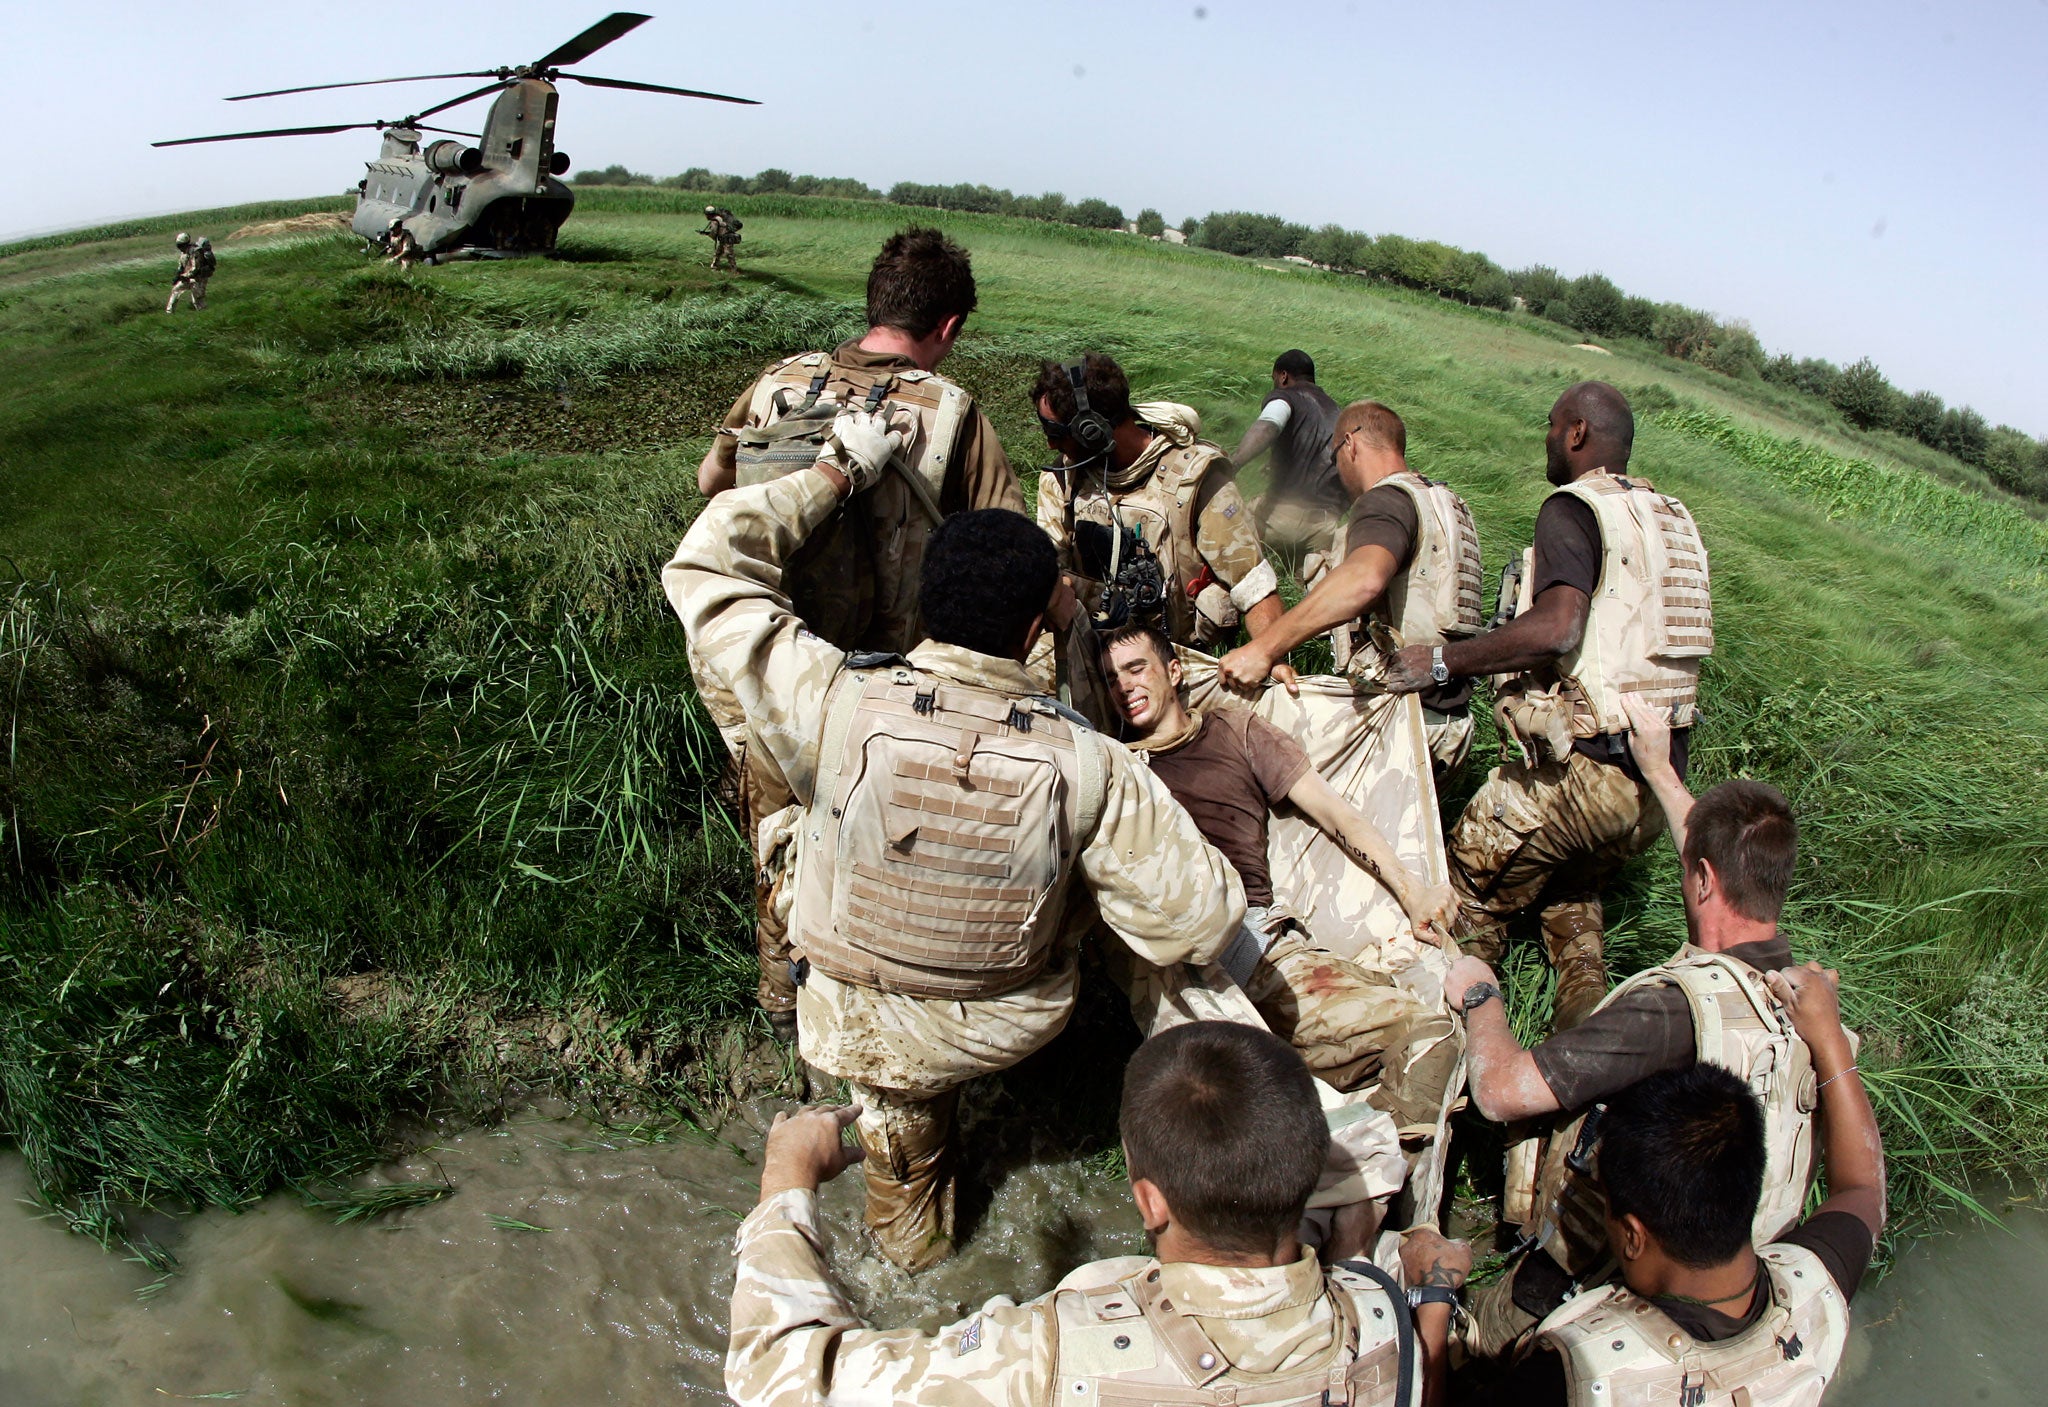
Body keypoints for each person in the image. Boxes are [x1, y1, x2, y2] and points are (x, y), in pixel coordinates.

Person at [665, 425, 1244, 1272]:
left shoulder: (829, 695)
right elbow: (1201, 920)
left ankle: (909, 1220)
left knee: (909, 1234)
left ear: (926, 603)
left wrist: (836, 471)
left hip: (859, 1018)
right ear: (1032, 633)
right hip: (1006, 1020)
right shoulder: (1093, 762)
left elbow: (705, 566)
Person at [726, 1021, 1468, 1407]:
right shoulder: (1380, 1317)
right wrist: (1430, 1297)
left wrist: (785, 1176)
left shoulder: (1048, 1355)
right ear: (1309, 1179)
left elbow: (774, 1376)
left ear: (1147, 1200)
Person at [695, 227, 1024, 1039]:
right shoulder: (951, 411)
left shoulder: (779, 381)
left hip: (765, 666)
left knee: (775, 841)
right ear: (946, 327)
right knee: (874, 848)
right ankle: (870, 1016)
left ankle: (782, 1009)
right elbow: (1004, 547)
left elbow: (711, 483)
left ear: (875, 304)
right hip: (883, 689)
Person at [1443, 711, 1836, 1360]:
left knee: (1475, 1351)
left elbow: (1501, 1093)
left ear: (1704, 880)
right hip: (1735, 1271)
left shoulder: (1670, 1014)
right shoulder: (1805, 999)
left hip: (1596, 1285)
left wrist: (1480, 993)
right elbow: (1710, 853)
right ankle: (1575, 929)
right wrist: (1657, 768)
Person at [1383, 381, 1713, 1030]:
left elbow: (1561, 626)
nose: (1546, 435)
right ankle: (1584, 1079)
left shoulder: (1574, 507)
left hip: (1585, 771)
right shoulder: (1669, 517)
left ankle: (1447, 1055)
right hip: (1655, 779)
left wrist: (1447, 660)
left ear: (1578, 433)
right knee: (1569, 896)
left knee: (1468, 895)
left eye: (1552, 423)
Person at [1101, 622, 1460, 1129]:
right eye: (1112, 679)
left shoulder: (1234, 729)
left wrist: (1412, 890)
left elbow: (1337, 814)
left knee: (1430, 1037)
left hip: (1255, 946)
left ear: (1174, 671)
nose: (1124, 687)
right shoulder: (1112, 765)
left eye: (1136, 669)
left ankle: (1366, 1163)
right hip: (1171, 965)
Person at [1507, 1046, 1882, 1405]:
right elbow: (1863, 1189)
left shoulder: (1569, 1375)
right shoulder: (1816, 1285)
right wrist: (1829, 1036)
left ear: (1634, 1236)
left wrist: (1444, 1296)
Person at [1218, 402, 1485, 781]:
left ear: (1350, 445)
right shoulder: (1449, 505)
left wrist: (1264, 648)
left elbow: (1365, 579)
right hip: (1450, 723)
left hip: (1400, 724)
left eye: (1334, 456)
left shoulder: (1385, 500)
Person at [1034, 353, 1285, 680]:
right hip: (1089, 652)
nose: (1050, 441)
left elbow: (1253, 586)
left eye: (1055, 430)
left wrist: (1272, 660)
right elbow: (1048, 574)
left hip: (1177, 665)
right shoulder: (1064, 479)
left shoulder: (1196, 480)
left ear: (1091, 429)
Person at [1230, 350, 1351, 587]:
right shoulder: (1337, 413)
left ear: (1283, 376)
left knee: (1229, 519)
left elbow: (1268, 426)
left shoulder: (1286, 397)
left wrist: (1234, 464)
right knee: (1303, 592)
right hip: (1325, 526)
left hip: (1281, 519)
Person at [165, 232, 211, 312]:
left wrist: (185, 276)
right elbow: (181, 266)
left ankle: (205, 313)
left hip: (198, 279)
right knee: (175, 289)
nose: (179, 248)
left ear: (185, 244)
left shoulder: (195, 251)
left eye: (180, 245)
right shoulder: (183, 253)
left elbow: (195, 268)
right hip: (188, 278)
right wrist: (177, 276)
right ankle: (169, 312)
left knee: (197, 300)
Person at [701, 204, 742, 271]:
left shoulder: (715, 221)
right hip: (725, 239)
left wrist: (709, 235)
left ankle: (734, 269)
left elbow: (714, 232)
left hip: (726, 239)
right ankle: (714, 267)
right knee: (718, 253)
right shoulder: (719, 218)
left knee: (728, 254)